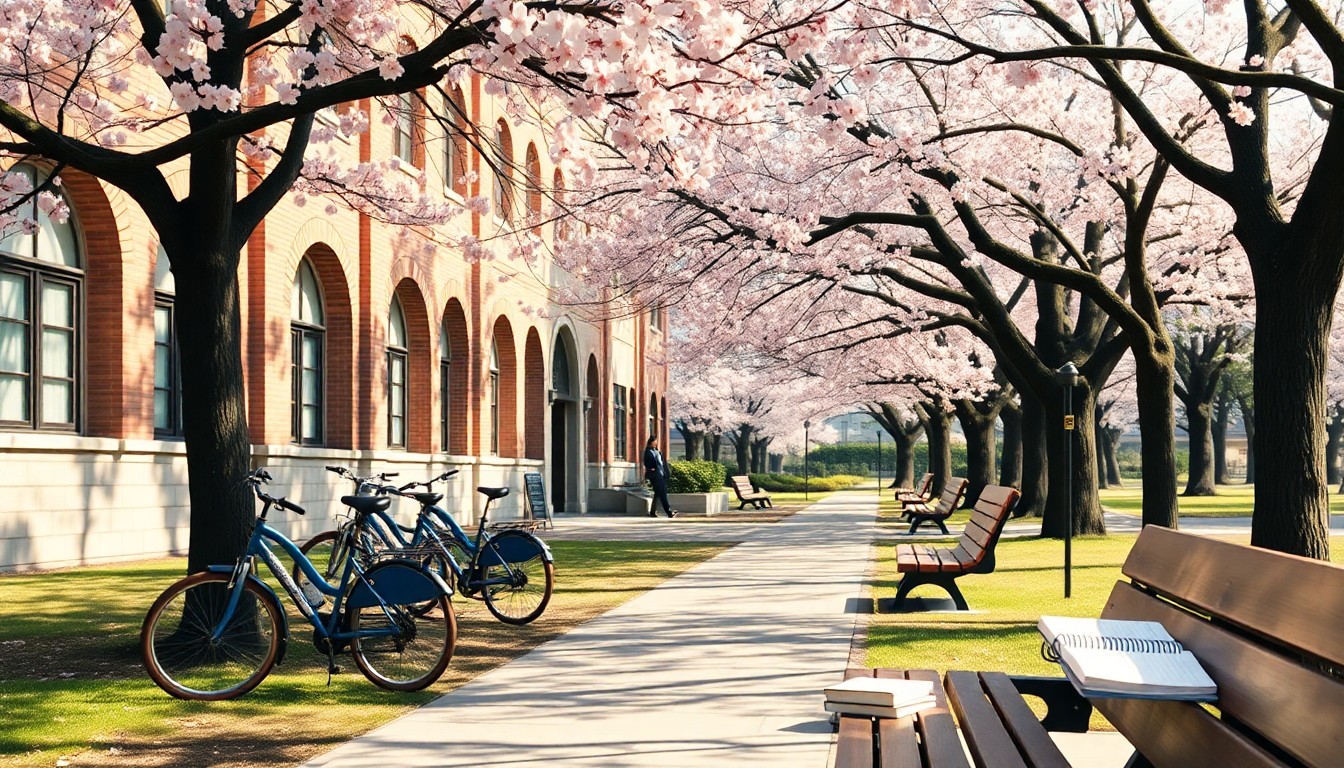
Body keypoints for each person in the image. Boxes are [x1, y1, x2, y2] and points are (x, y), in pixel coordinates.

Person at [642, 436, 676, 518]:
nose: (656, 443)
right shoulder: (648, 451)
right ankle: (669, 512)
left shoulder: (658, 452)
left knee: (657, 493)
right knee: (663, 493)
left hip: (661, 474)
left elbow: (663, 463)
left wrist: (666, 473)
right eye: (655, 441)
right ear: (651, 442)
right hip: (654, 475)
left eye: (656, 441)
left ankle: (653, 512)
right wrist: (651, 468)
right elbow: (646, 462)